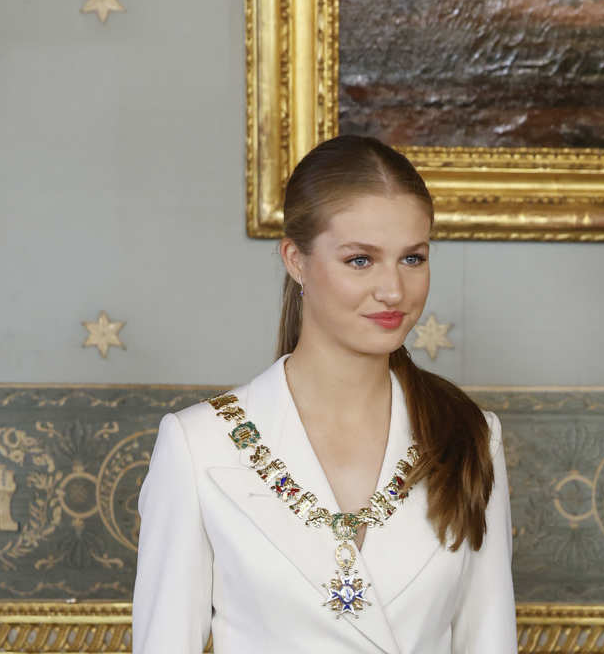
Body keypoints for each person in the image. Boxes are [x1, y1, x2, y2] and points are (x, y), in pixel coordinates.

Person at [133, 135, 518, 653]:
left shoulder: (469, 433)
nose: (393, 291)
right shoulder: (198, 444)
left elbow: (488, 640)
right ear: (296, 260)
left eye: (412, 258)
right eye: (360, 260)